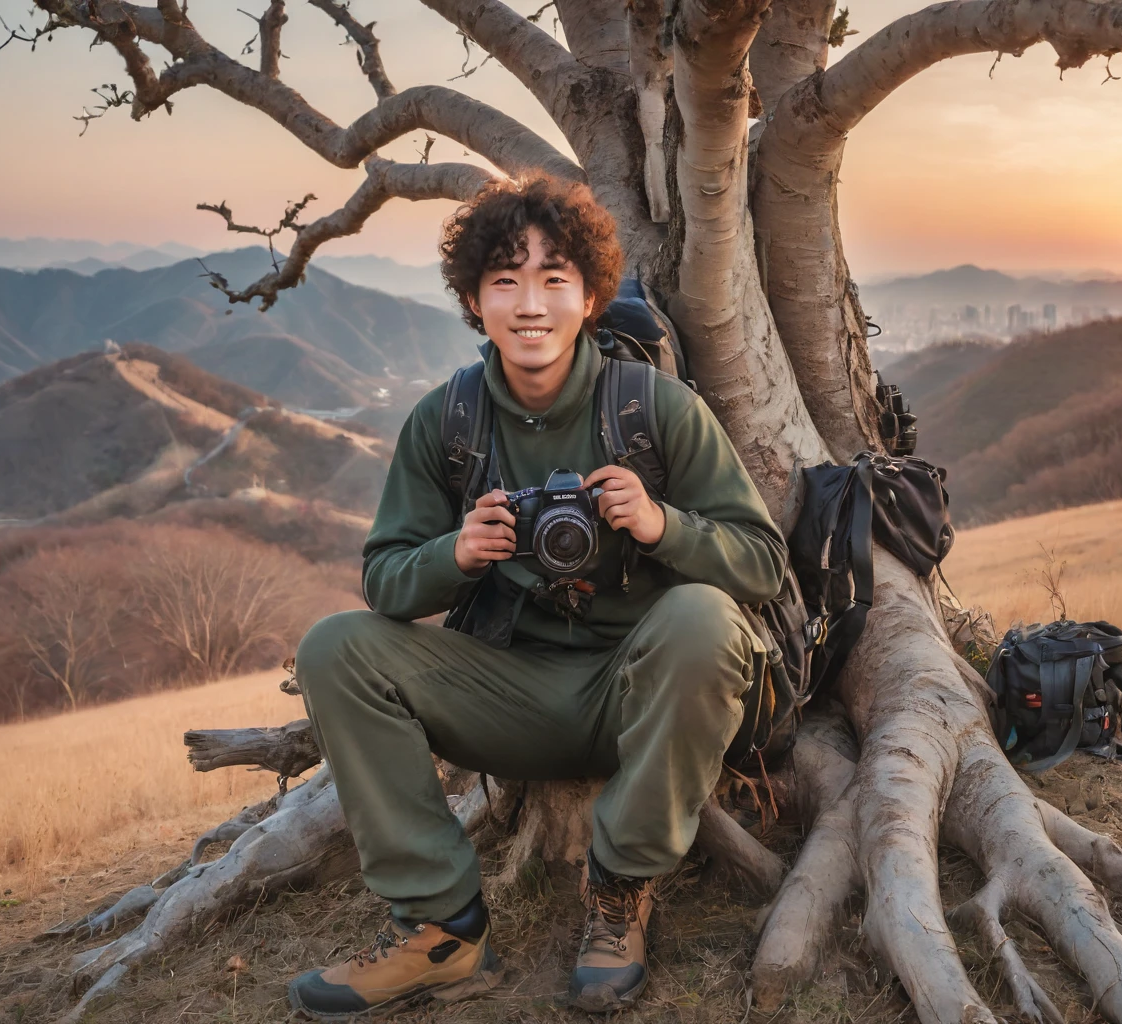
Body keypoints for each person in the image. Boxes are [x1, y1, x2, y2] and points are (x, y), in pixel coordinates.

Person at [288, 176, 786, 1018]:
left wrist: (664, 525)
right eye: (505, 280)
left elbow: (763, 563)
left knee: (705, 617)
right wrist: (460, 552)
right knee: (336, 647)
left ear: (590, 296)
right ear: (474, 300)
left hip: (641, 690)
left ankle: (621, 891)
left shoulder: (655, 410)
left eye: (554, 278)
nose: (529, 304)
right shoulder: (446, 423)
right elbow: (384, 579)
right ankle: (439, 929)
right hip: (505, 691)